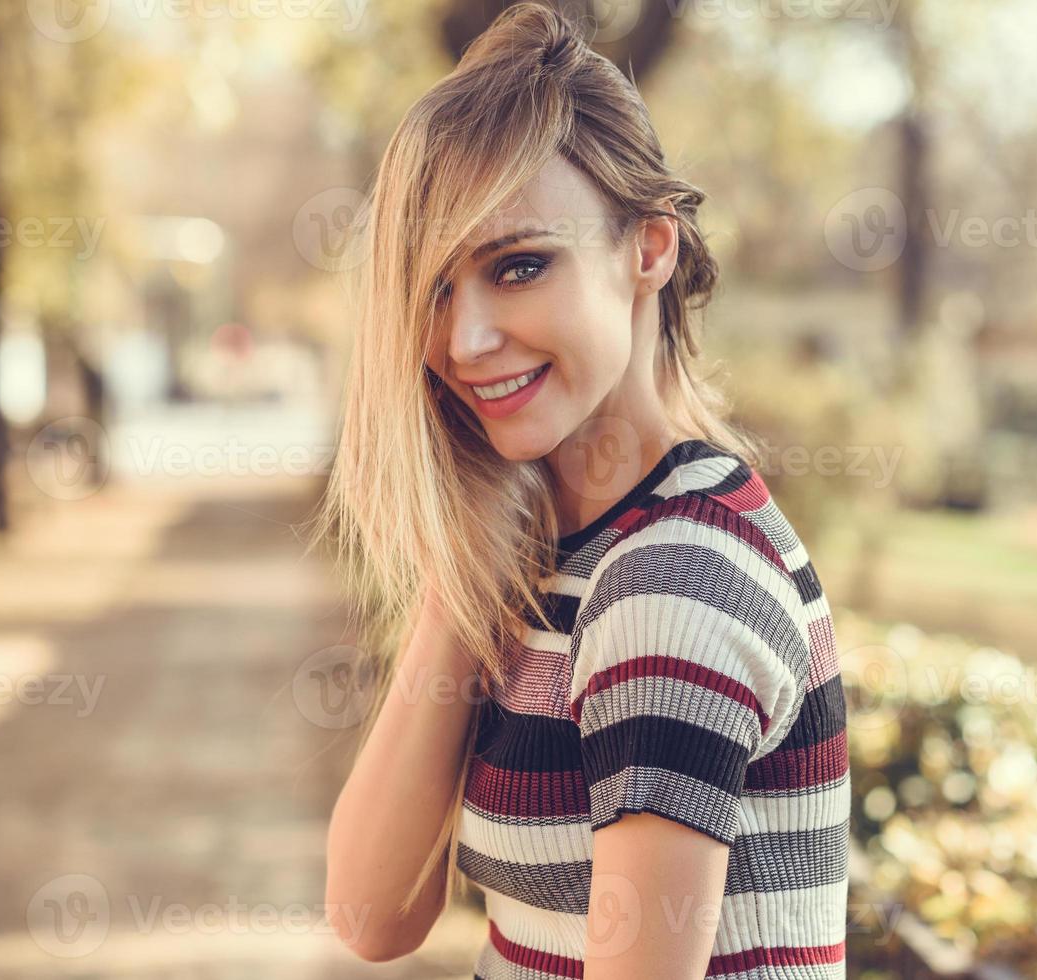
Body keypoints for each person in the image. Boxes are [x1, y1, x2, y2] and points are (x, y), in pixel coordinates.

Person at [309, 4, 850, 977]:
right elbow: (369, 910)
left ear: (647, 248)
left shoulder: (670, 583)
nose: (462, 340)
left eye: (518, 265)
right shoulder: (558, 542)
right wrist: (467, 557)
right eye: (433, 288)